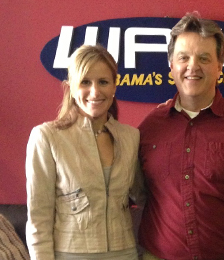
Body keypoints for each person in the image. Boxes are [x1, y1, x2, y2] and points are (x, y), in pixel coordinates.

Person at [138, 12, 224, 260]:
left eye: (204, 58)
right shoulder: (150, 128)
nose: (192, 66)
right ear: (171, 65)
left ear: (219, 66)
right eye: (183, 57)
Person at [26, 44, 144, 260]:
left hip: (125, 252)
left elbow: (144, 196)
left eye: (103, 82)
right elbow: (38, 218)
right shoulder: (46, 137)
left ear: (114, 87)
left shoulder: (131, 137)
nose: (95, 92)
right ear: (71, 87)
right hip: (71, 253)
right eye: (85, 82)